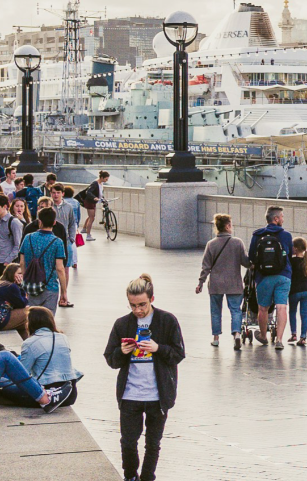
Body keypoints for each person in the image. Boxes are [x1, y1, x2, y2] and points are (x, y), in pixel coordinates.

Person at [104, 275, 185, 481]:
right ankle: (130, 476)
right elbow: (111, 360)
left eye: (142, 305)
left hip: (158, 394)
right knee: (128, 442)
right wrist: (122, 352)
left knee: (153, 442)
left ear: (152, 299)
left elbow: (178, 354)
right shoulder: (122, 324)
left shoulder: (167, 321)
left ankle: (148, 477)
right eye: (133, 306)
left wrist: (158, 348)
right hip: (130, 394)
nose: (138, 310)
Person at [0, 307, 81, 409]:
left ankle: (45, 398)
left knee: (4, 385)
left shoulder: (29, 343)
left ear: (30, 324)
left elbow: (22, 375)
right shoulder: (63, 337)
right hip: (70, 394)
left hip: (43, 392)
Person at [197, 214, 247, 350]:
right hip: (234, 283)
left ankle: (216, 338)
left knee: (215, 311)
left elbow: (206, 266)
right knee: (236, 310)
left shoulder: (211, 244)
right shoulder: (238, 242)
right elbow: (245, 262)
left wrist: (200, 283)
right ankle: (236, 333)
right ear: (228, 226)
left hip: (216, 284)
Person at [248, 206, 293, 350]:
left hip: (263, 277)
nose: (283, 219)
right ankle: (279, 340)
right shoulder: (286, 235)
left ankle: (263, 336)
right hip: (283, 276)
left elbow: (251, 257)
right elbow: (290, 255)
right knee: (281, 307)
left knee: (263, 308)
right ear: (276, 219)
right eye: (282, 217)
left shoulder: (257, 235)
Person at [19, 208, 66, 313]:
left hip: (32, 287)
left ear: (39, 221)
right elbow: (60, 269)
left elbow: (22, 262)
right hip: (50, 287)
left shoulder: (28, 238)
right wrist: (64, 292)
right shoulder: (58, 242)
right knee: (47, 321)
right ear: (54, 222)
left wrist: (26, 280)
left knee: (32, 320)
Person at [51, 186, 79, 308]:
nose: (56, 195)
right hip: (51, 242)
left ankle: (64, 295)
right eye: (53, 193)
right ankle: (52, 296)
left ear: (62, 193)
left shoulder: (68, 207)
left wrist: (71, 238)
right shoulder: (48, 207)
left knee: (65, 269)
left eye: (58, 193)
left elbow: (73, 223)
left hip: (65, 242)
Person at [287, 238, 307, 347]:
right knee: (304, 314)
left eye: (292, 246)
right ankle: (303, 337)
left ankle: (294, 334)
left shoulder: (292, 261)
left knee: (292, 312)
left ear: (296, 249)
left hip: (295, 291)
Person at [77, 170, 107, 241]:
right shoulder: (95, 183)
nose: (106, 180)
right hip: (90, 201)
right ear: (102, 177)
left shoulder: (100, 183)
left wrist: (102, 198)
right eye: (106, 179)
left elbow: (100, 193)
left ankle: (84, 229)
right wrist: (94, 197)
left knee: (91, 216)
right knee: (92, 218)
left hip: (93, 202)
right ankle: (88, 235)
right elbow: (88, 192)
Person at [0, 265, 27, 337]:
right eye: (19, 273)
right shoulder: (11, 286)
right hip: (1, 321)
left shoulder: (2, 283)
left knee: (22, 325)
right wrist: (21, 286)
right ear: (11, 274)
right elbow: (22, 303)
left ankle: (27, 341)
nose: (22, 276)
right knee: (28, 311)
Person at [0, 194, 23, 265]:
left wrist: (7, 261)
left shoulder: (14, 222)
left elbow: (18, 245)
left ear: (4, 207)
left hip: (7, 262)